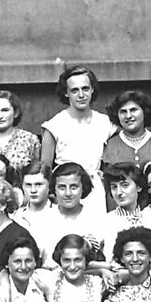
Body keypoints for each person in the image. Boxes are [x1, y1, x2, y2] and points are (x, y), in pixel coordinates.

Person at [40, 66, 115, 207]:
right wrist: (53, 196)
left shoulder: (106, 123)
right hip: (65, 190)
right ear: (66, 93)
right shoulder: (54, 125)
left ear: (92, 89)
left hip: (95, 190)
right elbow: (45, 170)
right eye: (74, 90)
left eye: (85, 89)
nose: (81, 95)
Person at [100, 89, 151, 210]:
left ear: (144, 112)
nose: (128, 116)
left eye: (134, 110)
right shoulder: (110, 145)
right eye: (123, 112)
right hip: (121, 211)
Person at [42, 162, 107, 264]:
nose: (68, 193)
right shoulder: (44, 218)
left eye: (74, 187)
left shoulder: (95, 219)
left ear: (83, 188)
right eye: (62, 187)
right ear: (54, 188)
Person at [97, 161, 150, 263]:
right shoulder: (105, 221)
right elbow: (84, 258)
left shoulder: (149, 218)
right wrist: (107, 267)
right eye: (114, 187)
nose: (119, 192)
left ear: (139, 186)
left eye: (125, 185)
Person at [12, 161, 58, 257]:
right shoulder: (16, 216)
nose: (33, 190)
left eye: (39, 184)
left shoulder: (58, 214)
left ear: (49, 185)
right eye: (28, 185)